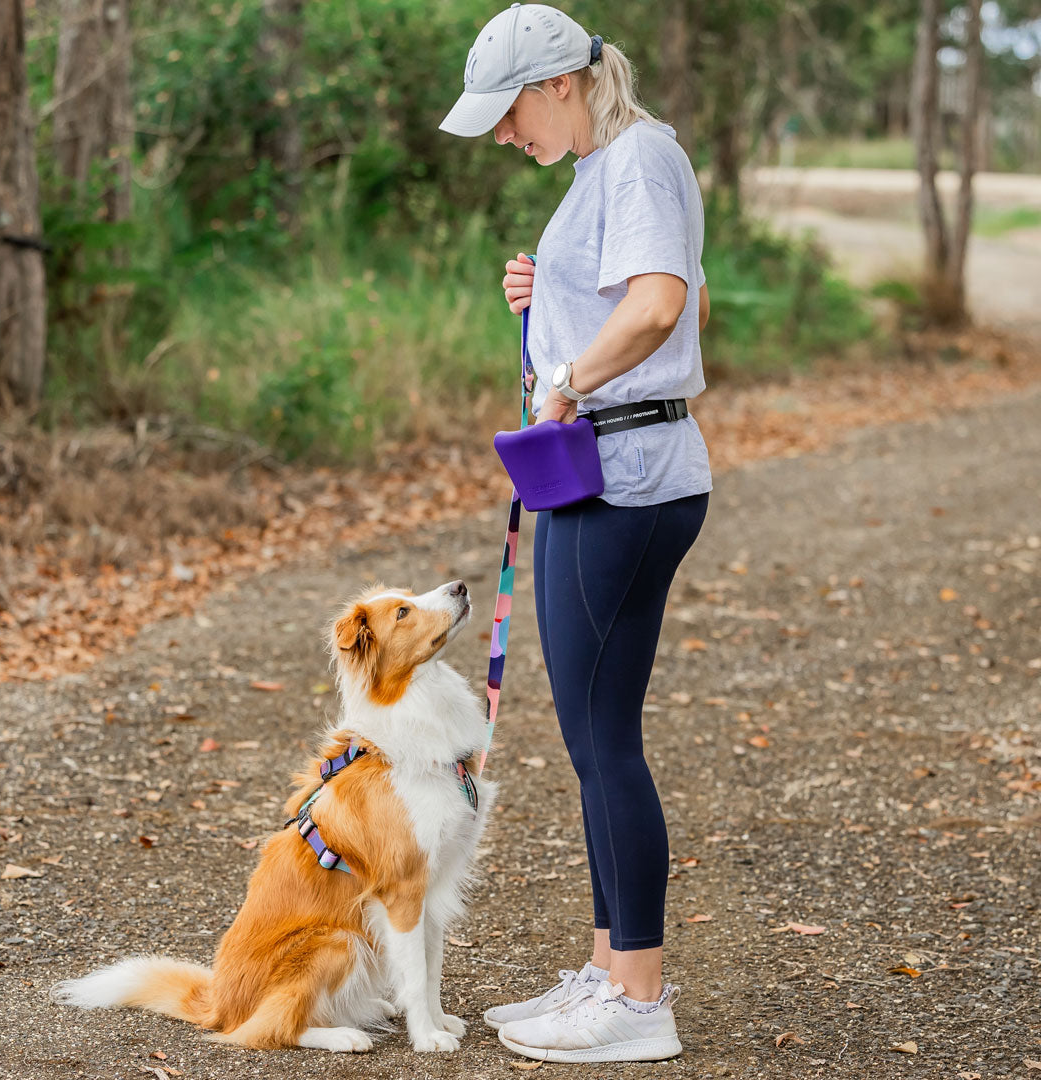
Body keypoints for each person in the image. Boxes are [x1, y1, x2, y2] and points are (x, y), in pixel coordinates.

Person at [440, 3, 711, 1063]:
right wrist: (543, 296)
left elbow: (656, 304)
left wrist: (566, 374)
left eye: (508, 114)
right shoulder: (598, 170)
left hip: (628, 480)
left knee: (607, 743)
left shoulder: (640, 155)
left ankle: (639, 999)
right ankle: (607, 970)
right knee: (592, 741)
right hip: (599, 473)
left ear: (557, 82)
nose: (504, 137)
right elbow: (615, 302)